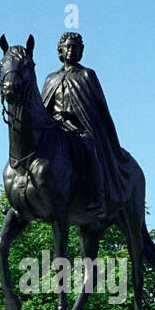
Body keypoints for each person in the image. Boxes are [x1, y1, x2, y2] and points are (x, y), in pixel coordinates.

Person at [41, 32, 124, 217]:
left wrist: (71, 114)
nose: (71, 50)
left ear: (81, 51)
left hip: (79, 129)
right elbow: (42, 109)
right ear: (60, 51)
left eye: (74, 47)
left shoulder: (86, 75)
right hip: (55, 130)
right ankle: (20, 202)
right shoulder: (50, 79)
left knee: (90, 148)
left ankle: (98, 198)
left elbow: (97, 109)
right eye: (67, 47)